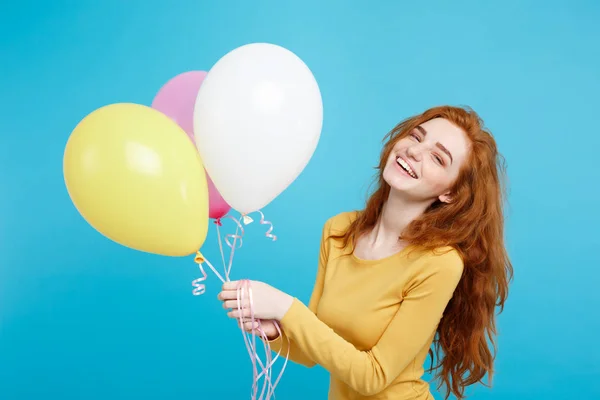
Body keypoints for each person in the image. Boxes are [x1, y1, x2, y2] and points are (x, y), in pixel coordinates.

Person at [218, 105, 513, 400]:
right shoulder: (339, 231)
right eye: (415, 136)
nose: (414, 151)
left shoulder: (439, 263)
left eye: (437, 158)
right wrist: (273, 330)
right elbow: (313, 350)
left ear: (449, 193)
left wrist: (285, 308)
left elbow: (373, 377)